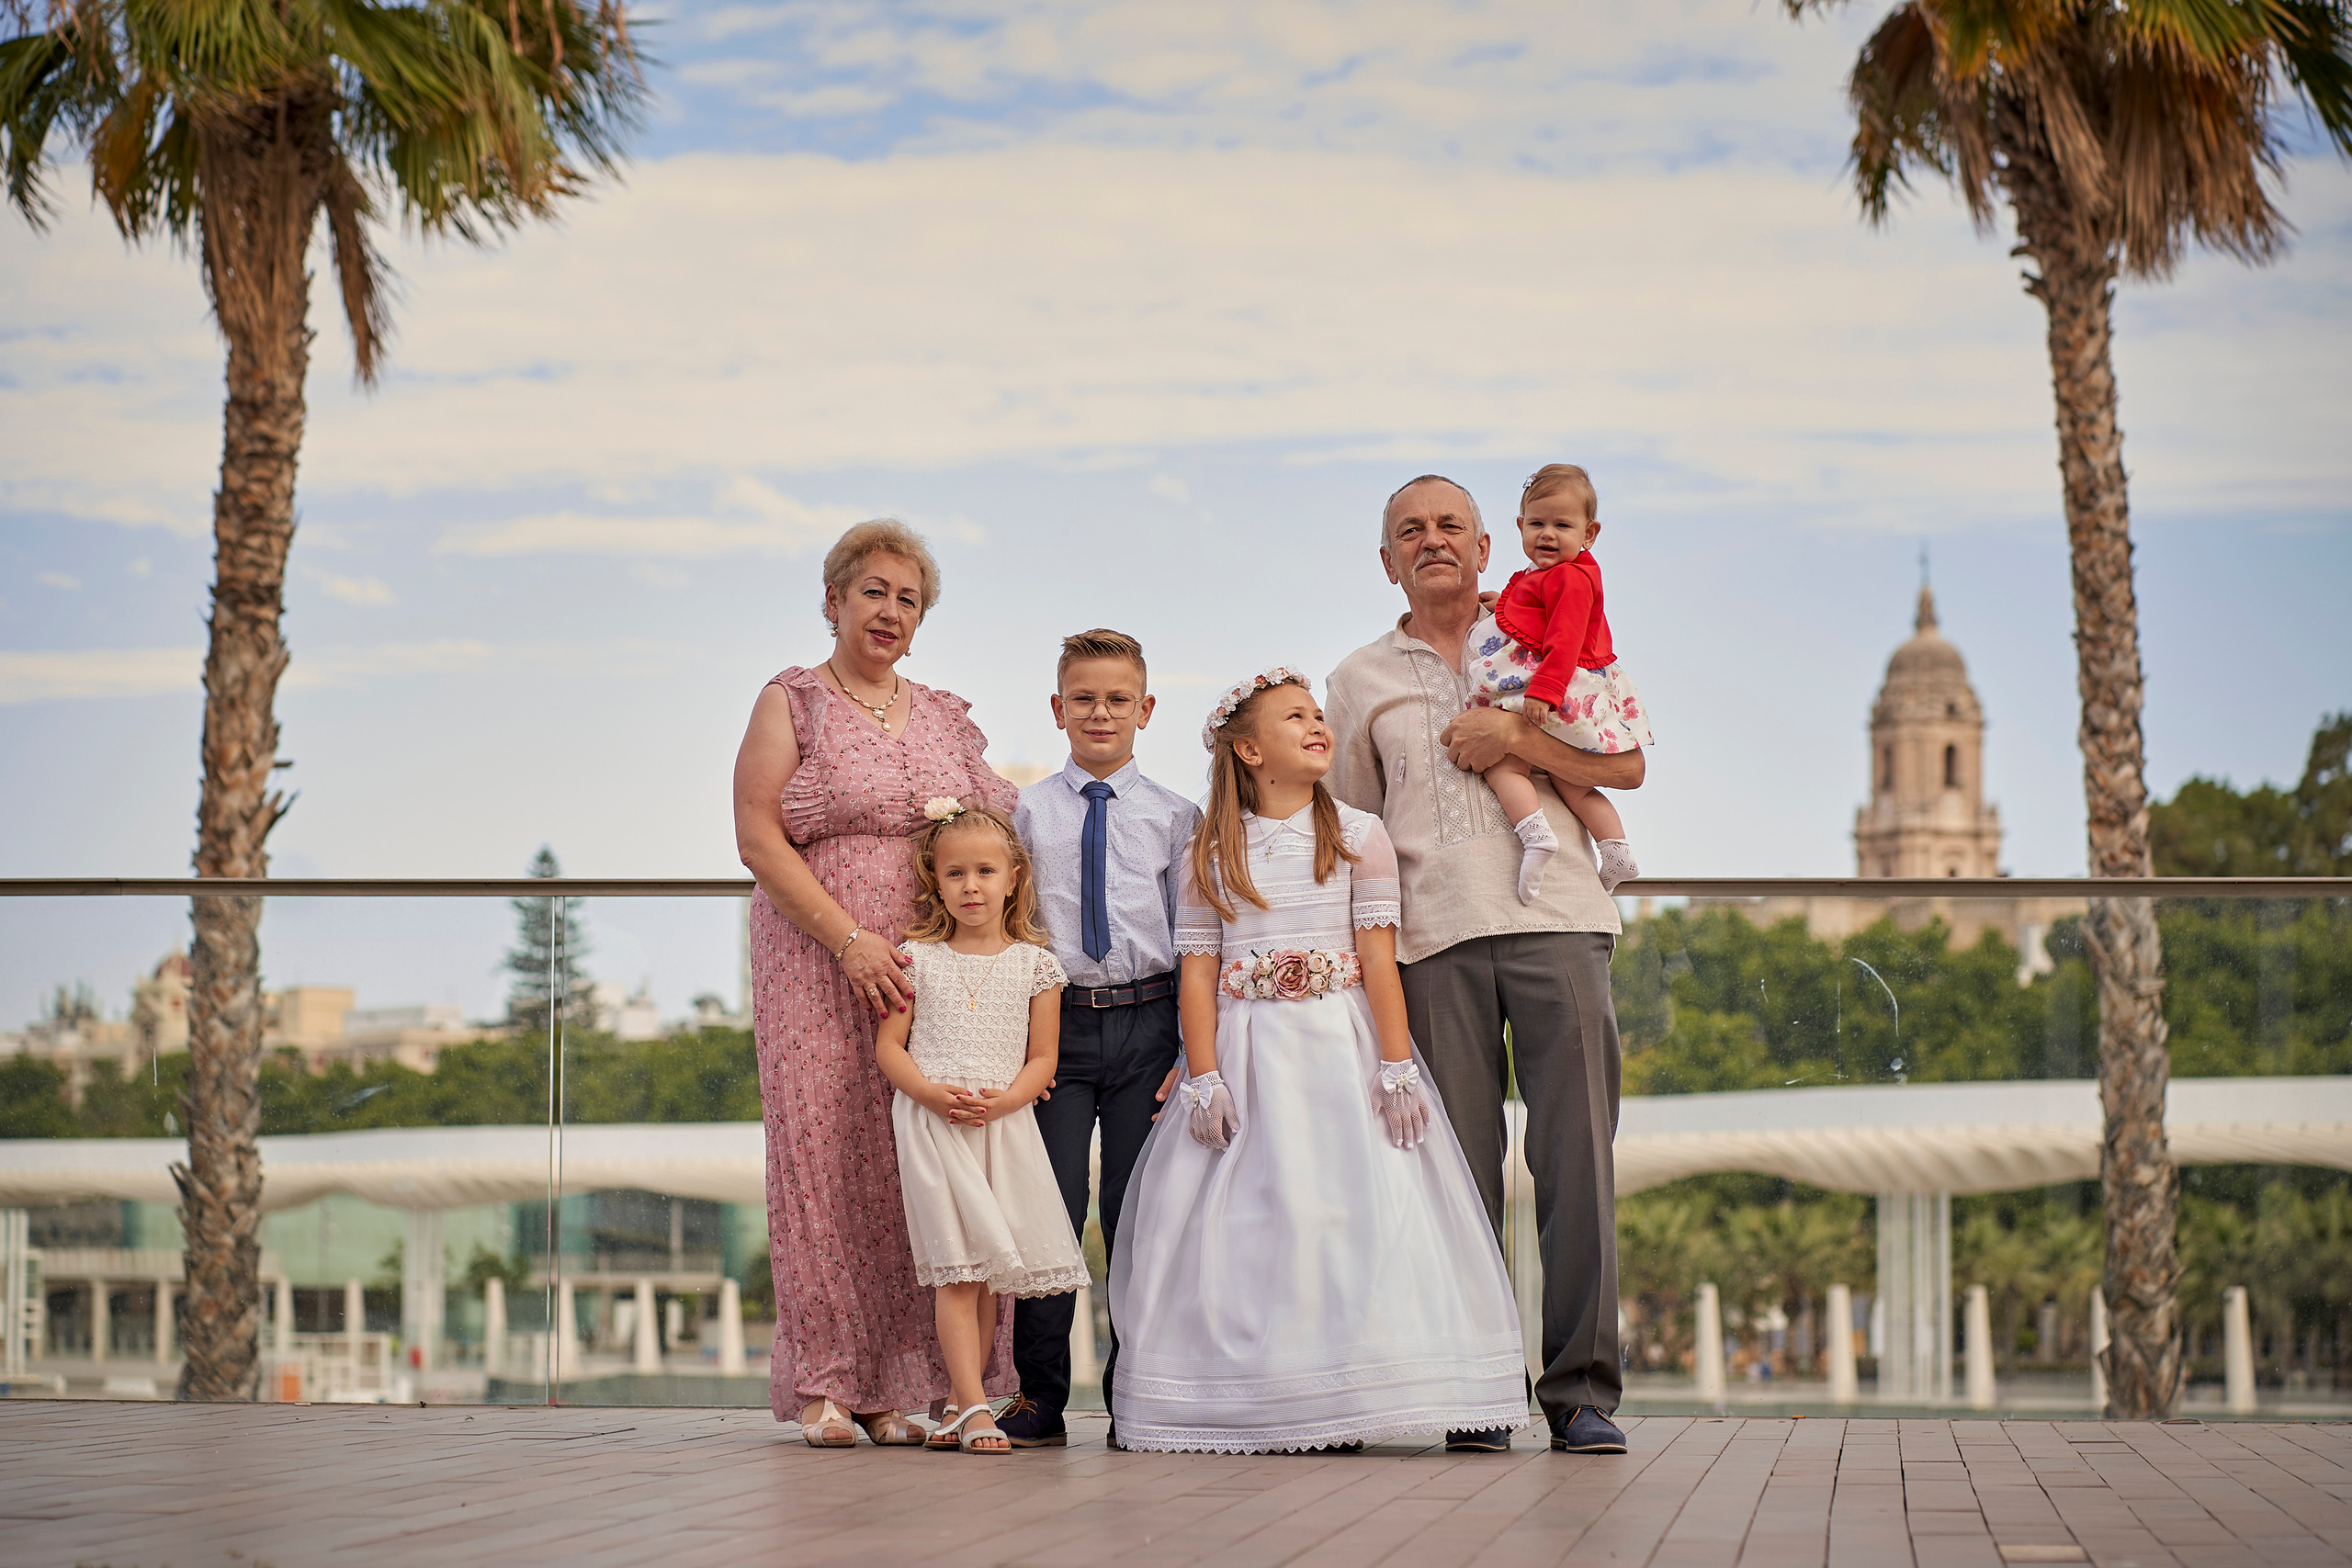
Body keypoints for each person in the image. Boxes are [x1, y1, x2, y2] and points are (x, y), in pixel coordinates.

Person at [1107, 669, 1525, 1454]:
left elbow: (1377, 959)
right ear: (1249, 748)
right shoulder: (1211, 848)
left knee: (1353, 1208)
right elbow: (1199, 967)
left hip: (1340, 1045)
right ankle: (1280, 1396)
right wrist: (1203, 1072)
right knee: (1261, 1214)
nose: (1315, 725)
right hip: (1250, 1050)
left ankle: (1364, 1387)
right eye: (1293, 716)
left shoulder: (1358, 835)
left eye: (1316, 715)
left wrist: (1396, 1066)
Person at [1324, 475, 1644, 1456]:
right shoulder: (1356, 679)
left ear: (1483, 546)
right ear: (1386, 561)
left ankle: (1581, 1391)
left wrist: (1514, 733)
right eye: (1409, 532)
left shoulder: (1556, 635)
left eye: (1449, 526)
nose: (1431, 541)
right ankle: (1476, 1393)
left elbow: (1626, 766)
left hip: (1559, 921)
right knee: (1453, 1177)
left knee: (1575, 1161)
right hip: (1428, 943)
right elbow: (1346, 829)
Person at [730, 518, 1018, 1448]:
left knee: (916, 1162)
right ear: (833, 601)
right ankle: (827, 1383)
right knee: (823, 1154)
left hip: (933, 969)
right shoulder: (794, 700)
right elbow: (757, 834)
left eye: (907, 598)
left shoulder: (941, 713)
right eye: (873, 592)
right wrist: (849, 940)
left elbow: (1000, 825)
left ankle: (899, 1387)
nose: (889, 611)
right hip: (816, 960)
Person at [1001, 630, 1200, 1450]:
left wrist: (1192, 1048)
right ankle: (1040, 1395)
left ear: (1146, 709)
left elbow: (1197, 939)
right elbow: (1016, 923)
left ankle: (1136, 1396)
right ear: (1058, 709)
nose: (1101, 712)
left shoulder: (1176, 817)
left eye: (1118, 699)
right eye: (1083, 698)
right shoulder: (1029, 812)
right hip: (1057, 1023)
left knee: (1136, 1211)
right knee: (1047, 1208)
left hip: (1150, 1026)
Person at [874, 799, 1090, 1454]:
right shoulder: (917, 958)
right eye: (956, 873)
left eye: (985, 871)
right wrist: (932, 1095)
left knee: (991, 1268)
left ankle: (962, 1406)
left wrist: (1004, 1103)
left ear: (1013, 877)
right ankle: (971, 1408)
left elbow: (1044, 1058)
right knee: (959, 1273)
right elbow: (890, 1049)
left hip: (1002, 1127)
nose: (971, 885)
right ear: (936, 882)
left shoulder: (1036, 965)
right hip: (935, 1125)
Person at [1465, 464, 1653, 901]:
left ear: (1589, 534)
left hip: (1560, 690)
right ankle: (1615, 848)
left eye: (1562, 525)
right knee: (1573, 782)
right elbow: (1539, 614)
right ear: (1520, 526)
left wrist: (1544, 692)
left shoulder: (1571, 577)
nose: (1547, 534)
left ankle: (1534, 835)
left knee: (1504, 762)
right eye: (1537, 524)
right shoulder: (1555, 573)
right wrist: (1505, 604)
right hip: (1568, 692)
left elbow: (1565, 640)